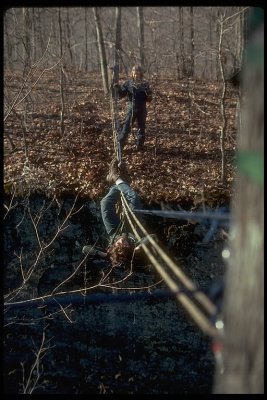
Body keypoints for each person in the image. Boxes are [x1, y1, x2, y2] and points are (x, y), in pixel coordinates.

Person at [82, 158, 154, 267]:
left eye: (118, 244)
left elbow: (85, 249)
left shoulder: (111, 253)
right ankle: (120, 180)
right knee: (134, 198)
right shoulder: (134, 249)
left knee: (105, 204)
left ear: (114, 247)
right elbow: (152, 237)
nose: (122, 241)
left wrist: (103, 254)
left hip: (114, 230)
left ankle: (117, 180)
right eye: (125, 244)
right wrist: (140, 247)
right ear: (129, 247)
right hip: (131, 228)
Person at [113, 65, 152, 152]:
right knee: (126, 128)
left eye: (138, 73)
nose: (136, 75)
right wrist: (118, 88)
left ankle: (140, 146)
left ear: (141, 74)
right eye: (134, 73)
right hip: (131, 108)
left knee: (141, 128)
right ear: (132, 73)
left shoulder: (145, 84)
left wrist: (149, 95)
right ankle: (120, 147)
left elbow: (149, 99)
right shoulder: (128, 83)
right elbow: (122, 95)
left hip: (142, 108)